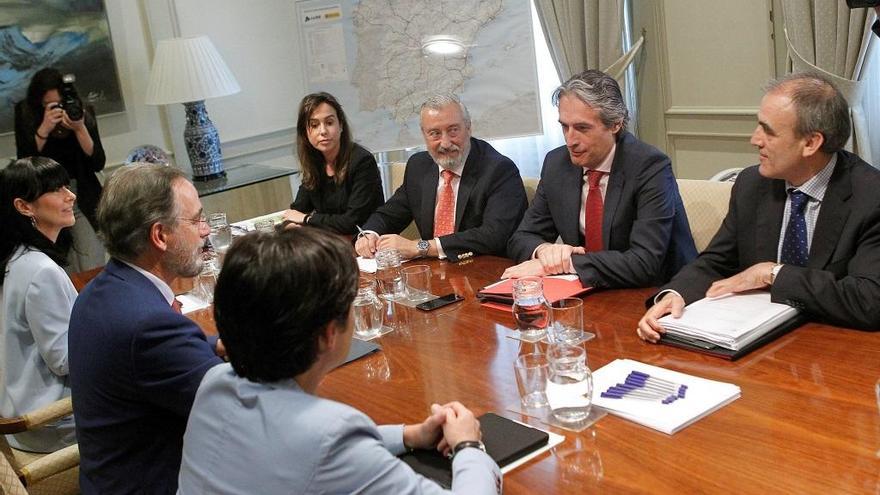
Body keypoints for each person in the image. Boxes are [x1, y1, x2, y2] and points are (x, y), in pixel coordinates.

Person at [178, 228, 501, 494]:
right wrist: (468, 446)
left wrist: (408, 435)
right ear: (329, 333)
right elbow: (325, 446)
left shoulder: (215, 384)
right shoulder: (330, 433)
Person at [637, 73, 880, 342]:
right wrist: (675, 294)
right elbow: (717, 261)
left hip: (836, 345)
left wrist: (772, 273)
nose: (755, 139)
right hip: (756, 340)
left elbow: (869, 300)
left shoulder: (870, 197)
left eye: (769, 131)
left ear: (811, 143)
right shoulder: (752, 184)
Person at [68, 164, 224, 494]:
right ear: (160, 236)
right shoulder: (148, 324)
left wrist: (221, 345)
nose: (206, 230)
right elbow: (239, 411)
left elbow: (168, 357)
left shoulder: (101, 291)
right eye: (196, 220)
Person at [504, 70, 696, 289]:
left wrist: (566, 262)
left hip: (660, 293)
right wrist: (544, 251)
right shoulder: (557, 164)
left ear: (615, 124)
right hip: (591, 290)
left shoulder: (650, 166)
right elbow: (522, 237)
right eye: (564, 126)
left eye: (582, 128)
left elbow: (645, 263)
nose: (570, 140)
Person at [355, 93, 528, 261]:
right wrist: (369, 235)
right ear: (424, 135)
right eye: (435, 133)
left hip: (481, 268)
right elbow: (389, 214)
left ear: (468, 128)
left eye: (453, 131)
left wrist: (421, 247)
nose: (445, 143)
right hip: (435, 273)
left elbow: (494, 235)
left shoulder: (498, 170)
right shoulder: (419, 166)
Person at [0, 157, 77, 453]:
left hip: (25, 415)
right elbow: (64, 359)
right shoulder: (40, 270)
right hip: (51, 424)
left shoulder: (16, 258)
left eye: (66, 187)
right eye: (56, 190)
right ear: (24, 206)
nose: (70, 196)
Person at [14, 68, 106, 272]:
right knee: (60, 266)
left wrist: (80, 127)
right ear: (39, 102)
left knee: (93, 263)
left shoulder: (81, 111)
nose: (57, 108)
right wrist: (44, 129)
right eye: (49, 104)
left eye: (60, 103)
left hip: (82, 196)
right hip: (45, 200)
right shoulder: (26, 113)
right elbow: (25, 163)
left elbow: (98, 162)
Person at [282, 92, 384, 235]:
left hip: (364, 243)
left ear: (341, 125)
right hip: (332, 242)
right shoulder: (315, 161)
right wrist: (291, 226)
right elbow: (296, 211)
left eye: (329, 123)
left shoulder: (362, 161)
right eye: (314, 125)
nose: (323, 131)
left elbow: (352, 222)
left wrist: (307, 219)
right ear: (305, 132)